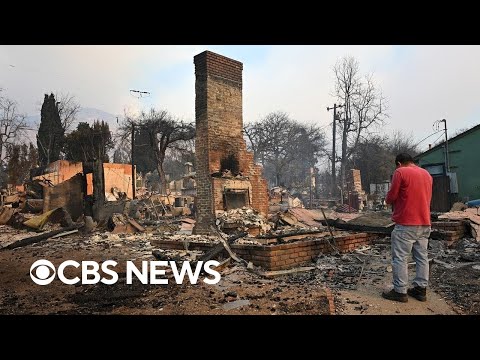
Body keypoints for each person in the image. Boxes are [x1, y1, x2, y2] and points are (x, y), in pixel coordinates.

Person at [382, 153, 433, 303]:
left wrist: (389, 200)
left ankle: (400, 291)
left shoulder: (400, 172)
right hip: (424, 223)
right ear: (412, 161)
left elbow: (391, 197)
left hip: (406, 224)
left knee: (400, 258)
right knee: (422, 257)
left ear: (398, 163)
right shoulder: (426, 174)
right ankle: (420, 289)